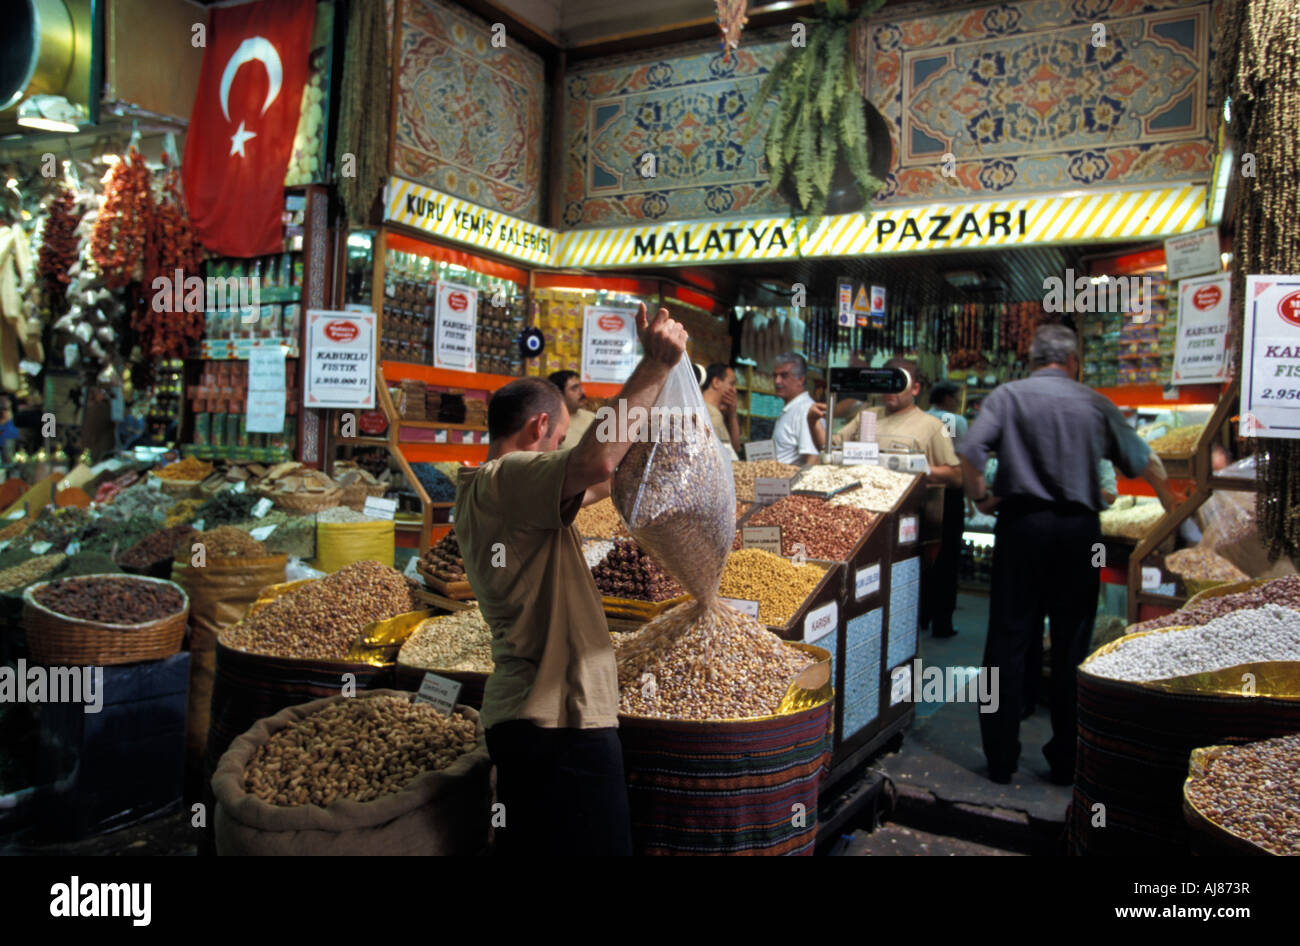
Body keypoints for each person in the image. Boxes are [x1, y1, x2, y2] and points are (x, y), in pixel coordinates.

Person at [456, 303, 687, 855]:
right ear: (540, 427)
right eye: (560, 438)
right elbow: (596, 463)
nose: (562, 447)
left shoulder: (494, 492)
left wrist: (662, 428)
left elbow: (602, 481)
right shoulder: (507, 477)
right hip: (553, 719)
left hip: (534, 718)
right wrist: (653, 366)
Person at [958, 323, 1175, 785]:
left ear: (1034, 359)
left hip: (1021, 527)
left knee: (1008, 637)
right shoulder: (1095, 403)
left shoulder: (1007, 396)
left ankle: (1000, 757)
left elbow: (970, 448)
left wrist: (980, 497)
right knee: (1074, 641)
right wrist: (1175, 513)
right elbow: (1146, 460)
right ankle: (1066, 760)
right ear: (1073, 361)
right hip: (1081, 534)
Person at [808, 358, 964, 636]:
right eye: (885, 382)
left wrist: (919, 468)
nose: (890, 390)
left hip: (905, 527)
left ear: (915, 388)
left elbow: (955, 475)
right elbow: (828, 449)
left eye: (898, 383)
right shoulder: (867, 416)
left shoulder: (931, 426)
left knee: (898, 601)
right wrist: (813, 421)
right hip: (859, 520)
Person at [770, 352, 818, 465]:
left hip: (791, 482)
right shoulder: (793, 408)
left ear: (800, 380)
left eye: (784, 375)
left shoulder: (805, 410)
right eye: (775, 375)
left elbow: (814, 458)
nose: (777, 381)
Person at [547, 370, 597, 449]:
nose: (582, 392)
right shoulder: (549, 426)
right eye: (574, 388)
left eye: (580, 386)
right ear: (559, 394)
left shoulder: (593, 418)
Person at [700, 363, 741, 459]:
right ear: (716, 383)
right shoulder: (713, 415)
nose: (734, 390)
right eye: (731, 384)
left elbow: (734, 447)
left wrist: (732, 415)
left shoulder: (698, 408)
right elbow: (731, 458)